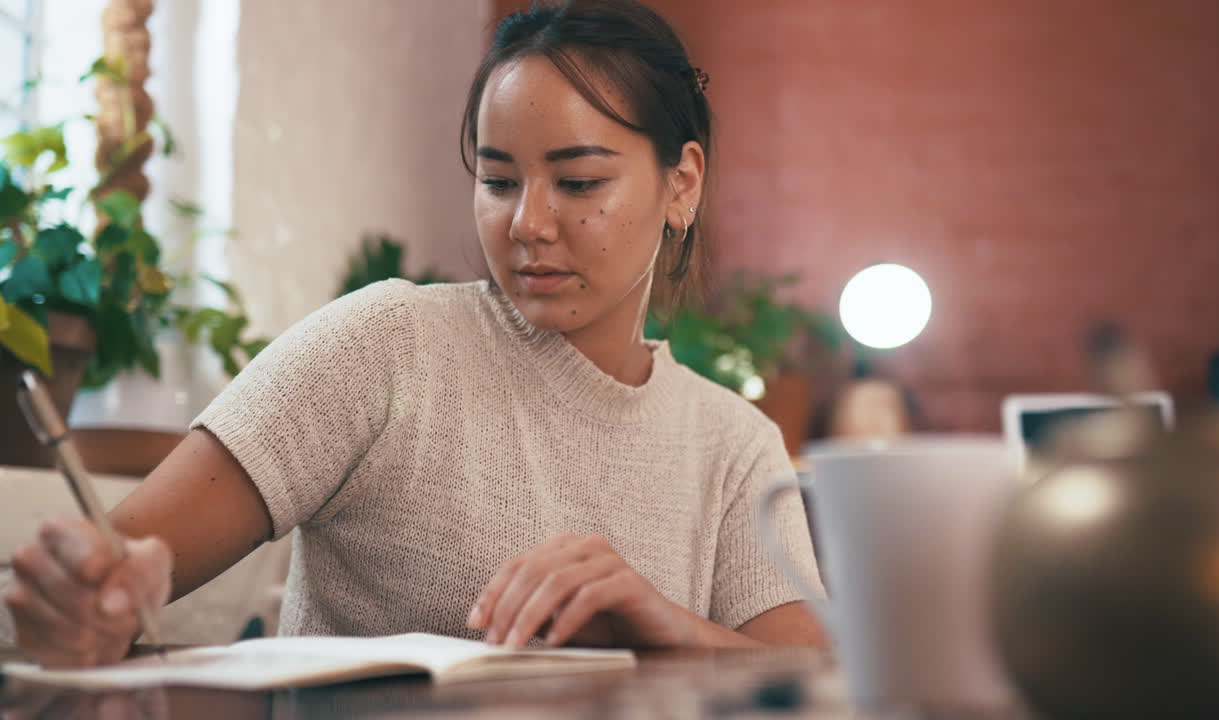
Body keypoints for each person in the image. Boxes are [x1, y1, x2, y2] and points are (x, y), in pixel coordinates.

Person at [1, 0, 824, 669]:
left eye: (578, 181)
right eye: (498, 181)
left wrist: (657, 621)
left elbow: (813, 677)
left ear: (682, 184)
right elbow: (121, 567)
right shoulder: (388, 345)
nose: (528, 223)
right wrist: (82, 605)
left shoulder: (733, 444)